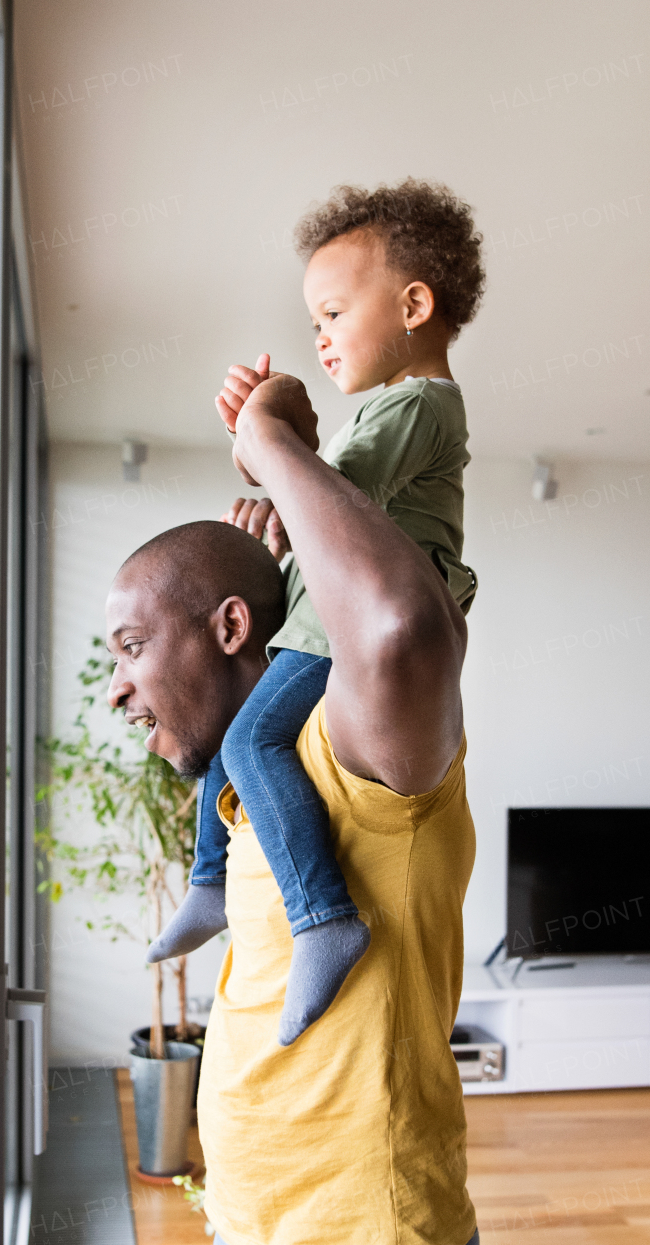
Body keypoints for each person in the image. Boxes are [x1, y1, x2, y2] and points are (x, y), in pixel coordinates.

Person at [105, 366, 480, 1245]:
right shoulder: (261, 792)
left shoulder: (366, 757)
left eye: (129, 651)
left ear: (219, 632)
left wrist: (269, 441)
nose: (115, 693)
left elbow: (392, 625)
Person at [147, 179, 484, 1046]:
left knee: (249, 741)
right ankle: (212, 884)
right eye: (315, 325)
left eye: (333, 314)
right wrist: (272, 454)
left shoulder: (416, 404)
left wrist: (268, 438)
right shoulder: (397, 410)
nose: (323, 336)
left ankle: (322, 915)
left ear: (414, 305)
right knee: (240, 743)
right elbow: (326, 513)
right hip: (323, 618)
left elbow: (339, 492)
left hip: (336, 630)